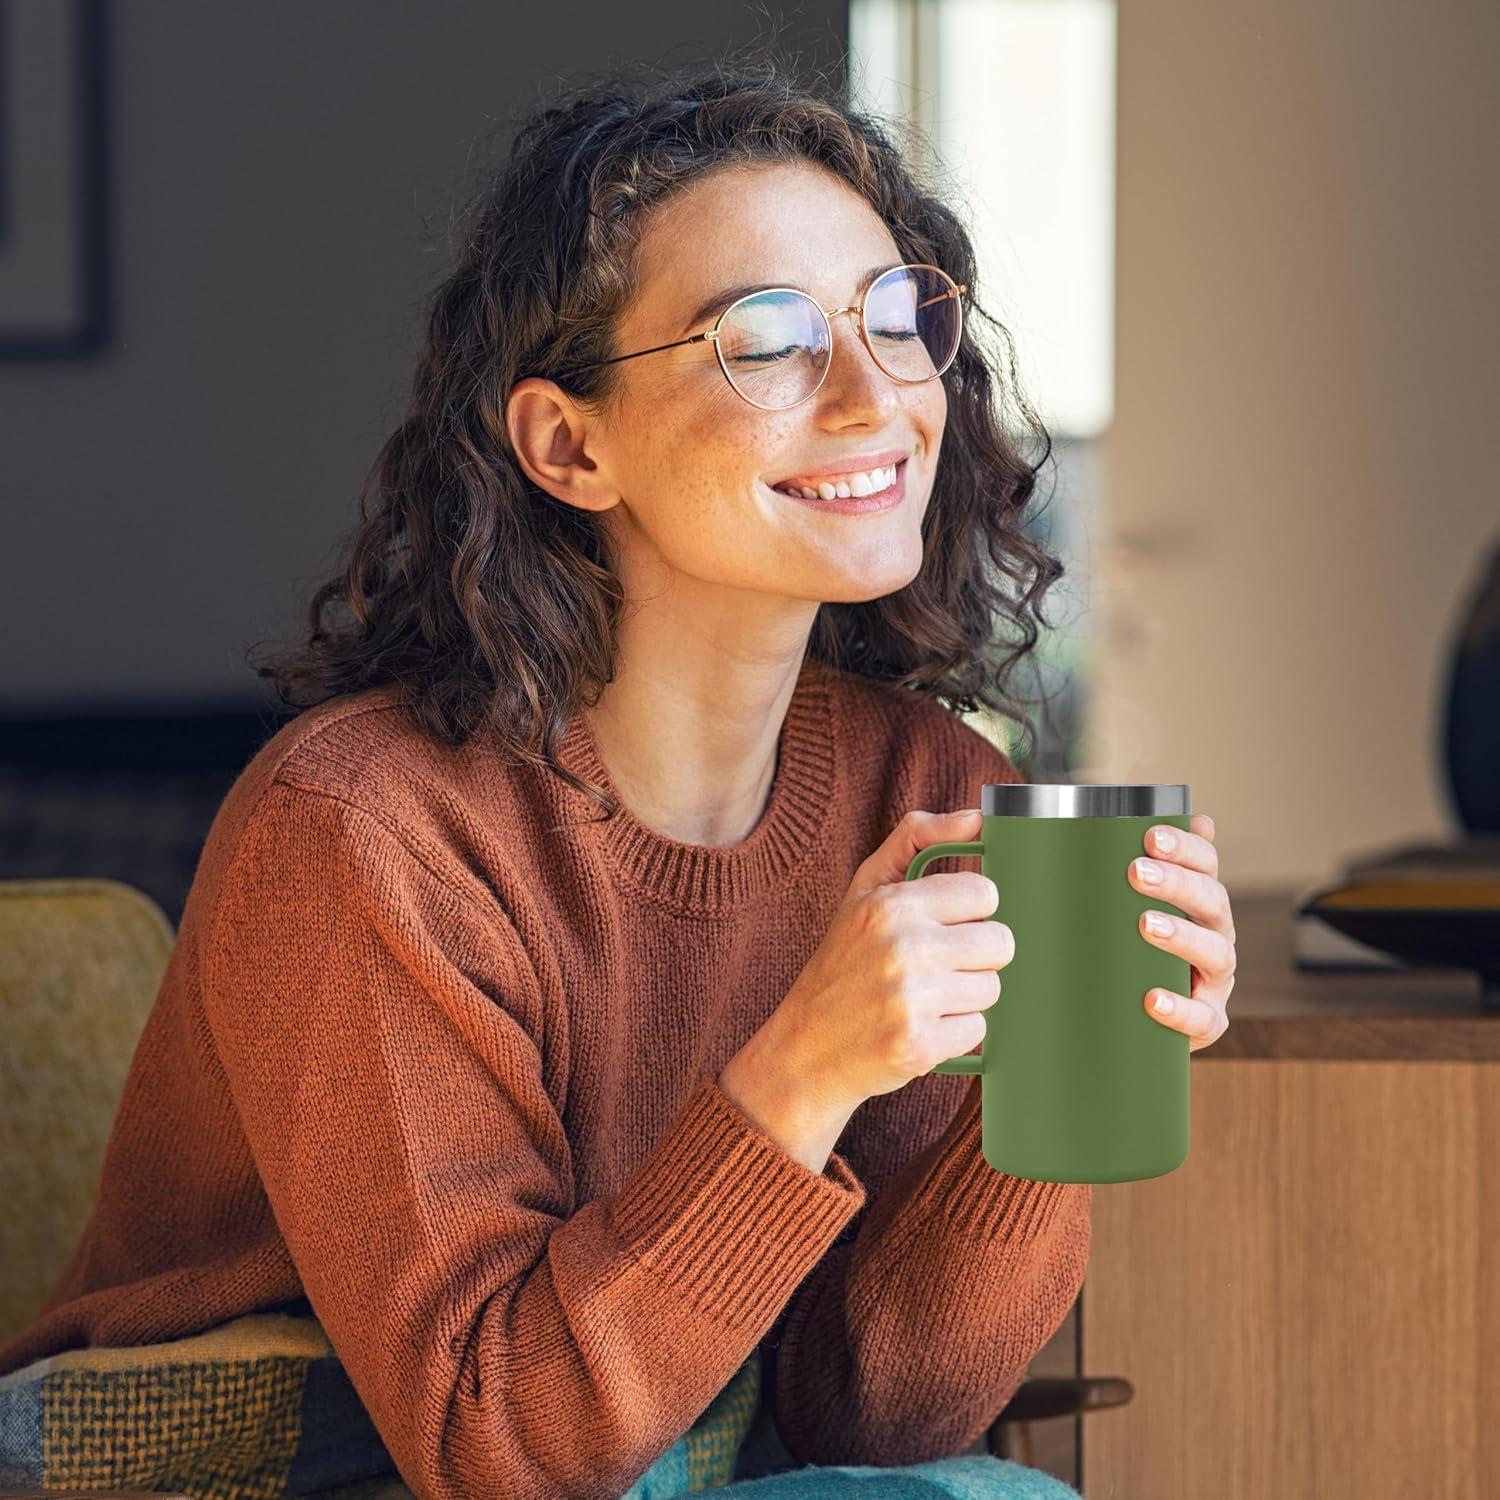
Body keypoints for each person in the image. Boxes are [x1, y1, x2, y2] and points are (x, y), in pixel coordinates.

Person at [0, 43, 1234, 1500]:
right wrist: (801, 1070)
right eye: (766, 340)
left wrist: (1052, 1081)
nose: (873, 393)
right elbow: (494, 1445)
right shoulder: (362, 827)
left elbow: (875, 1420)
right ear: (569, 445)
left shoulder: (926, 789)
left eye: (898, 315)